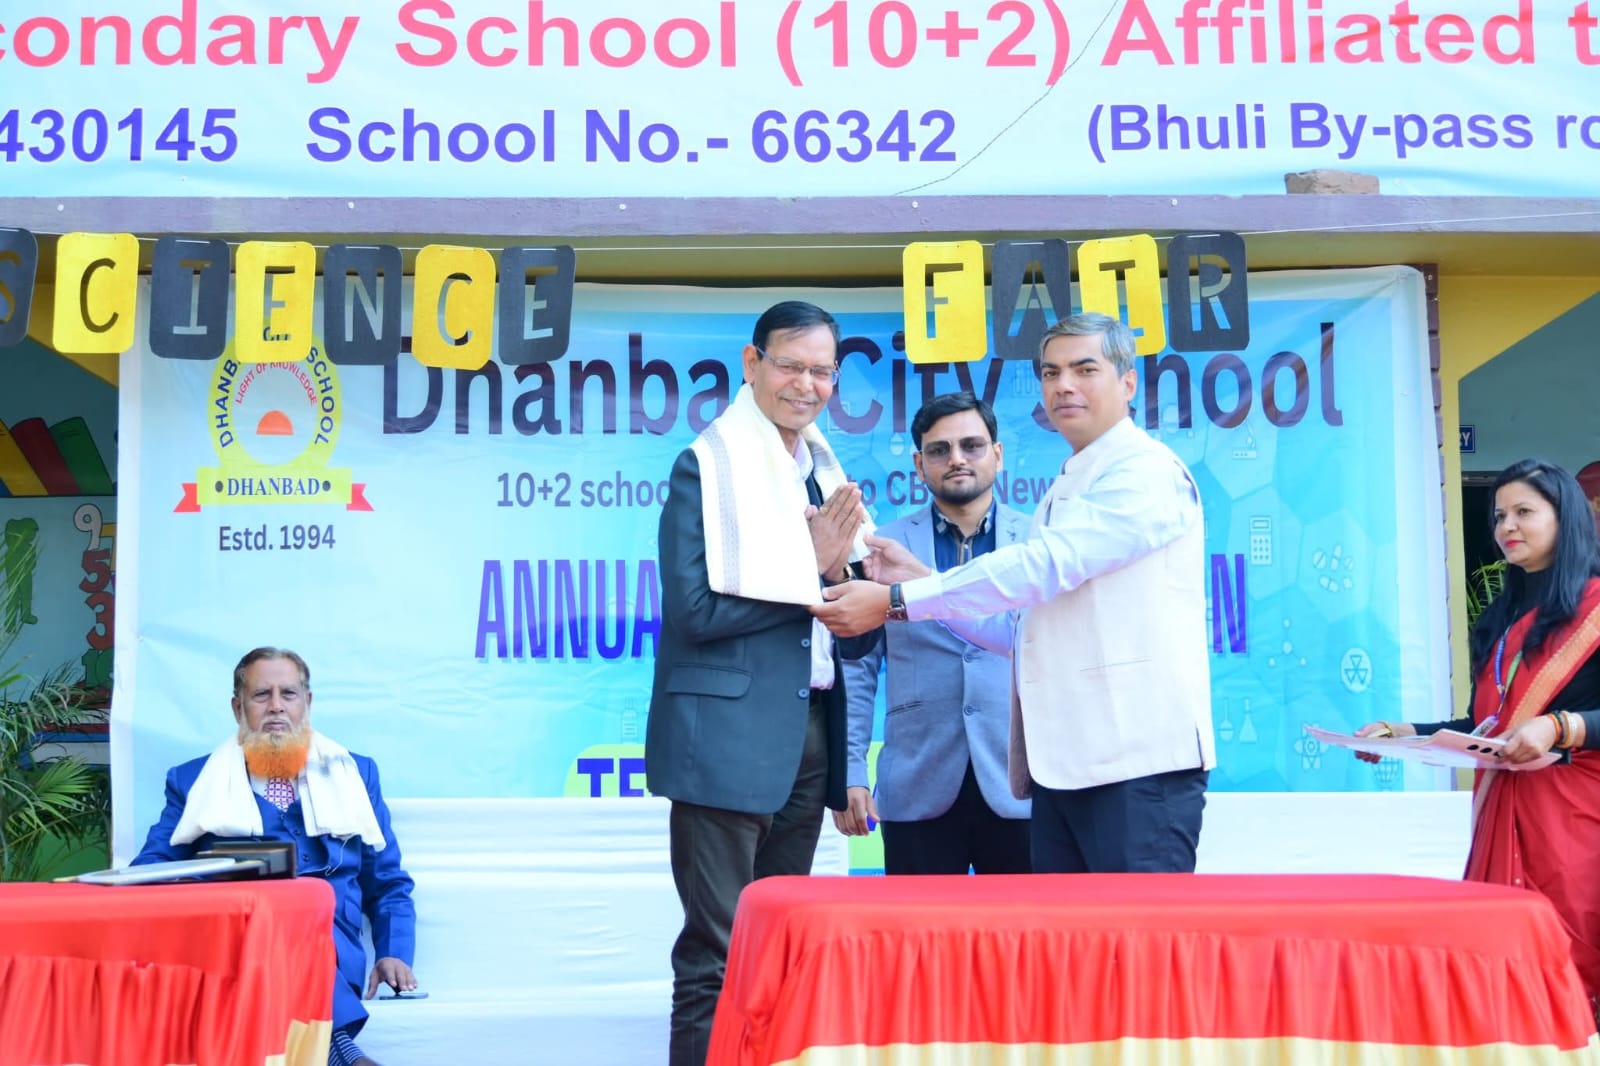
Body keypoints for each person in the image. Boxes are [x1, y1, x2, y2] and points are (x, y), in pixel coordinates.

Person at [815, 312, 1215, 874]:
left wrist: (901, 600)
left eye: (1084, 369)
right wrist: (912, 586)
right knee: (1058, 933)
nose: (1064, 386)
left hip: (1135, 764)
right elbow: (1021, 631)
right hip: (1063, 770)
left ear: (1128, 382)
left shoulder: (1144, 473)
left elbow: (1045, 565)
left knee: (1134, 930)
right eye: (1051, 373)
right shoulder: (1070, 486)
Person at [646, 300, 863, 1066]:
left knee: (776, 947)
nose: (806, 385)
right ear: (752, 363)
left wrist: (857, 578)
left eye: (821, 371)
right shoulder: (705, 467)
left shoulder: (823, 472)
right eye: (791, 365)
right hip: (724, 741)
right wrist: (812, 570)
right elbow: (695, 611)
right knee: (718, 950)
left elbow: (842, 613)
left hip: (808, 736)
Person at [1354, 458, 1600, 1004]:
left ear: (1565, 519)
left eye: (1524, 512)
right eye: (1499, 516)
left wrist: (1560, 726)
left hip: (1575, 824)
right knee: (1502, 973)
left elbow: (1549, 723)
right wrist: (1402, 732)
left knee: (1568, 971)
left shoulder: (1595, 609)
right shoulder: (1502, 619)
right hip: (1504, 813)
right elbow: (1486, 726)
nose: (1507, 526)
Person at [134, 648, 416, 1066]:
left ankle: (335, 1048)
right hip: (237, 944)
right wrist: (208, 891)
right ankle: (341, 1051)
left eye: (289, 694)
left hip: (332, 946)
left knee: (290, 921)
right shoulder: (193, 780)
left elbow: (387, 882)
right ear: (238, 708)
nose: (276, 706)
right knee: (267, 920)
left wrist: (394, 951)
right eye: (261, 694)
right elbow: (150, 869)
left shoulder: (355, 774)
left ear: (307, 703)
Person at [835, 392, 1031, 873]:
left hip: (1022, 785)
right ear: (920, 465)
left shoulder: (1039, 544)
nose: (957, 459)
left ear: (998, 455)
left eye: (972, 446)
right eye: (940, 450)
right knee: (916, 925)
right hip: (917, 783)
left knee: (1025, 924)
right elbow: (858, 669)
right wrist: (851, 769)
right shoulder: (882, 548)